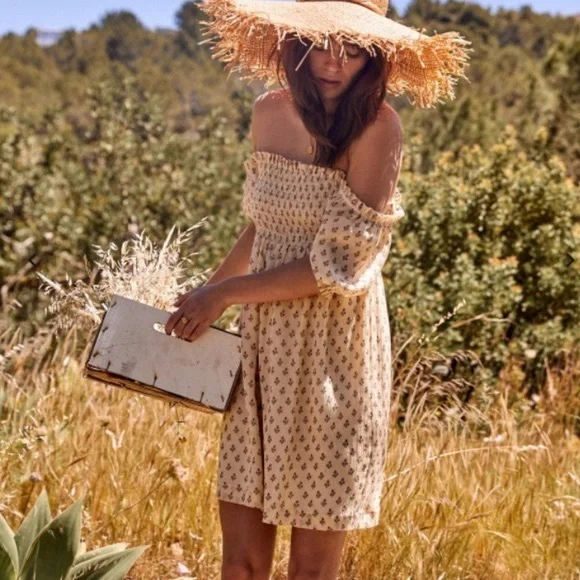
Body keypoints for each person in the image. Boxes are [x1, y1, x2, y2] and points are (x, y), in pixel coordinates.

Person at [165, 1, 472, 578]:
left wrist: (227, 295)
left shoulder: (379, 127)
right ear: (297, 43)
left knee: (311, 570)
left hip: (336, 353)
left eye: (353, 51)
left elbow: (337, 264)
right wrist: (202, 295)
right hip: (262, 349)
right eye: (322, 45)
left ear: (374, 59)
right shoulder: (268, 112)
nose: (334, 63)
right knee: (241, 564)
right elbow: (265, 226)